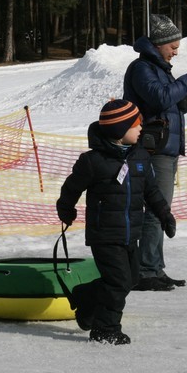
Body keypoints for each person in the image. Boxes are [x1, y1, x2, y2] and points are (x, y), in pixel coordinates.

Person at [56, 100, 176, 345]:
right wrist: (66, 209)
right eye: (136, 125)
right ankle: (105, 329)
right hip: (105, 234)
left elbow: (151, 191)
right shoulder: (94, 161)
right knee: (118, 281)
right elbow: (71, 188)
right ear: (119, 131)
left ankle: (85, 296)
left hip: (132, 232)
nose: (141, 129)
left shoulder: (140, 156)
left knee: (131, 278)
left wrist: (165, 214)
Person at [122, 14, 187, 291]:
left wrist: (185, 102)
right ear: (158, 43)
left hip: (165, 148)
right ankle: (146, 271)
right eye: (172, 45)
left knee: (161, 209)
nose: (176, 51)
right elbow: (159, 97)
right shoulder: (142, 68)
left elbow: (165, 103)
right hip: (153, 148)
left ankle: (154, 268)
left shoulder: (159, 67)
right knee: (157, 209)